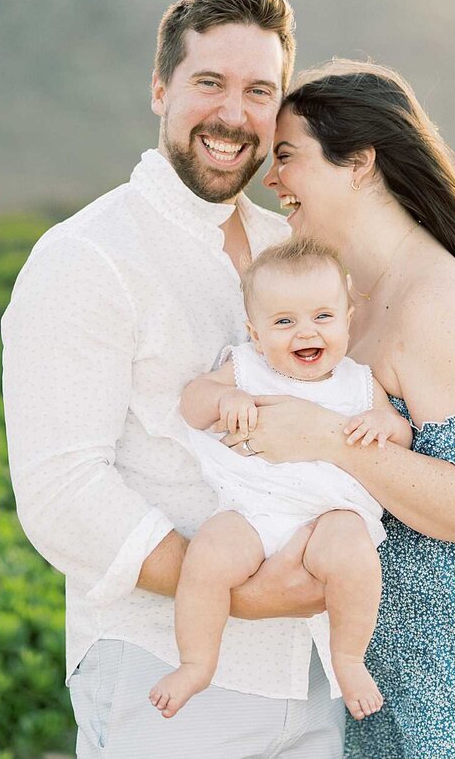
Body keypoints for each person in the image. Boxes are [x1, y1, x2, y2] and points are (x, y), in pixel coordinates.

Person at [1, 0, 348, 758]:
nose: (233, 114)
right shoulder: (85, 257)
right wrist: (240, 596)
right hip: (164, 679)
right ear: (160, 89)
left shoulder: (291, 252)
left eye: (260, 91)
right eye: (208, 83)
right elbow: (61, 495)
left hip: (315, 676)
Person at [234, 59, 455, 757]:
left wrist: (329, 439)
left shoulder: (439, 296)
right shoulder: (349, 299)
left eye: (287, 156)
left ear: (360, 162)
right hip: (395, 663)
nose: (271, 179)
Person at [149, 237, 411, 721]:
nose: (305, 332)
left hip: (332, 514)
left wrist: (387, 425)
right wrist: (222, 400)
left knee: (355, 558)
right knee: (206, 556)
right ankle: (196, 662)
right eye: (284, 321)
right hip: (253, 511)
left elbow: (401, 437)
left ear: (348, 319)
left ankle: (350, 658)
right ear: (255, 332)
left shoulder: (360, 382)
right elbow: (192, 401)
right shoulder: (245, 369)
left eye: (322, 317)